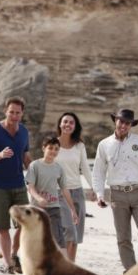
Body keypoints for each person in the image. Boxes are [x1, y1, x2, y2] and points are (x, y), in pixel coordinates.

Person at [93, 108, 138, 270]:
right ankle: (131, 271)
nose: (124, 126)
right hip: (117, 195)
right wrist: (100, 195)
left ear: (131, 125)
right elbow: (98, 172)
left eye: (127, 123)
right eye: (121, 121)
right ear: (115, 121)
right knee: (123, 238)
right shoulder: (104, 144)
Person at [0, 97, 32, 273]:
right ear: (6, 111)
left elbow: (26, 157)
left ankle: (14, 253)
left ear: (22, 113)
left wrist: (36, 174)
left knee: (24, 223)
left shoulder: (24, 132)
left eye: (18, 112)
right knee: (2, 227)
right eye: (11, 112)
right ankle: (8, 263)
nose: (14, 115)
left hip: (19, 184)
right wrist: (0, 155)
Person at [25, 135, 79, 249]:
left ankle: (59, 266)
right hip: (37, 209)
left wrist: (73, 210)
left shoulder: (59, 168)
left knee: (58, 242)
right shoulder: (35, 165)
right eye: (50, 148)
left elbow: (65, 189)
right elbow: (30, 187)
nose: (53, 151)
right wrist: (39, 198)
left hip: (54, 208)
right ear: (44, 148)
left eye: (56, 149)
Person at [55, 112, 94, 261]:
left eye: (71, 122)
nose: (68, 125)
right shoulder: (53, 144)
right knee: (68, 231)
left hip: (77, 192)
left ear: (75, 126)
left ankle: (71, 266)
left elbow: (85, 168)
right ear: (60, 124)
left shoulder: (79, 146)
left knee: (76, 235)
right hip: (59, 193)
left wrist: (94, 189)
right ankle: (62, 264)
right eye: (65, 121)